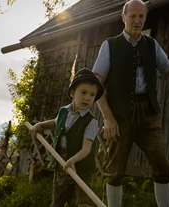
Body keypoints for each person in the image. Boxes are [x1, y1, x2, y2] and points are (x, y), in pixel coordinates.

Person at [92, 0, 169, 206]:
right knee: (115, 169)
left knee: (162, 167)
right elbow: (95, 85)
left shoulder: (151, 45)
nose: (137, 20)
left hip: (148, 114)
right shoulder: (110, 45)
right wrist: (108, 118)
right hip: (119, 115)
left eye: (141, 16)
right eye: (133, 16)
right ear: (123, 17)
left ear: (145, 17)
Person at [29, 68, 104, 207]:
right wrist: (40, 125)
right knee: (58, 201)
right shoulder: (64, 112)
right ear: (72, 93)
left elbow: (86, 149)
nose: (87, 97)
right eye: (83, 92)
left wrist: (73, 160)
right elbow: (56, 123)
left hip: (81, 168)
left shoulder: (92, 122)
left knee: (83, 202)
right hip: (61, 164)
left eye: (92, 95)